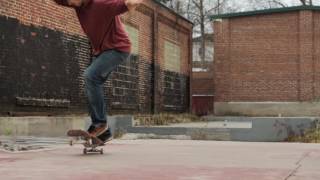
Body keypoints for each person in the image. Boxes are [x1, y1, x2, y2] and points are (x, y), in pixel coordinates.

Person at [54, 0, 143, 143]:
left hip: (117, 49)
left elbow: (125, 4)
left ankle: (100, 123)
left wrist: (132, 3)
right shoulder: (77, 4)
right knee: (92, 85)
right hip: (103, 52)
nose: (70, 3)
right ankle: (104, 133)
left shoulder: (101, 4)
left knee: (90, 76)